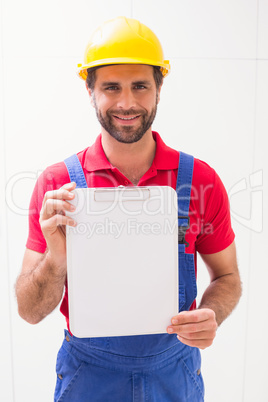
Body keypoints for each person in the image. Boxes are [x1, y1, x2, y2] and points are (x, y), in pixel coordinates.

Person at [15, 16, 242, 401]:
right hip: (88, 376)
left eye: (140, 86)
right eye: (111, 88)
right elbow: (30, 312)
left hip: (175, 373)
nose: (127, 102)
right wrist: (57, 258)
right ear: (89, 90)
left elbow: (228, 278)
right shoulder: (58, 186)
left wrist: (212, 314)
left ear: (159, 87)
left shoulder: (200, 180)